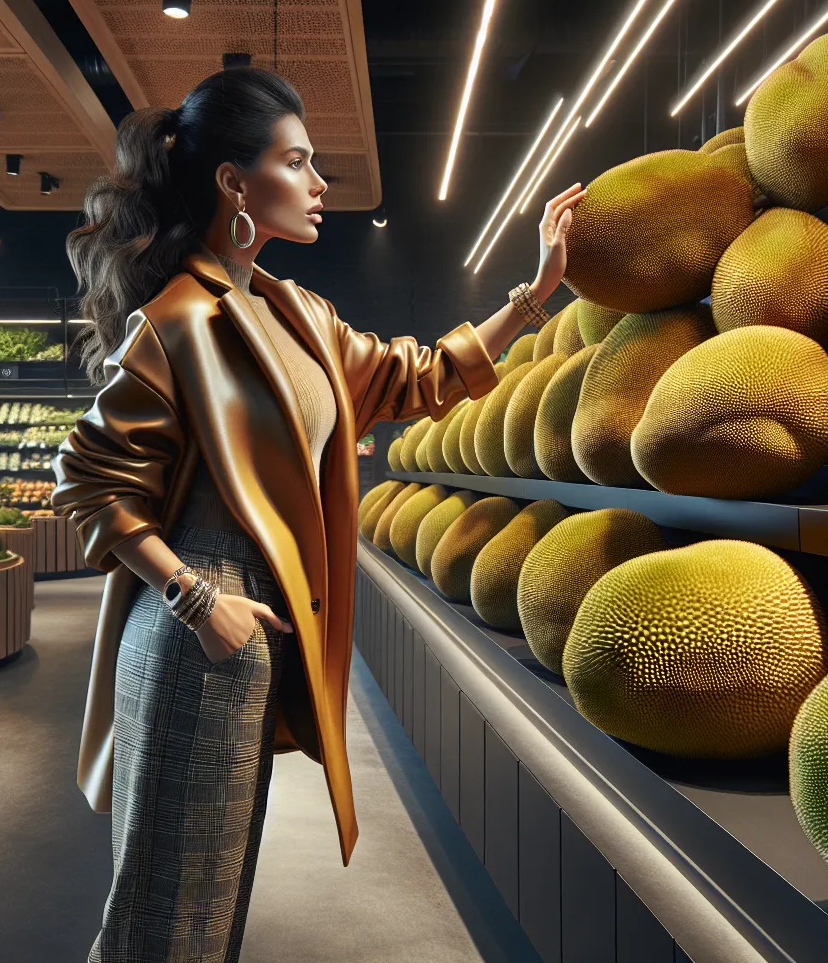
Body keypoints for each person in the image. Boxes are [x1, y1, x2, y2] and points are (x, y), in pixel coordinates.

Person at [51, 66, 584, 963]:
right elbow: (90, 482)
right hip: (200, 620)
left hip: (248, 624)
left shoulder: (300, 314)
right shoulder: (179, 320)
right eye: (297, 163)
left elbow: (420, 377)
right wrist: (193, 600)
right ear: (235, 183)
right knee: (169, 911)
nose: (319, 185)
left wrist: (537, 292)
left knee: (209, 898)